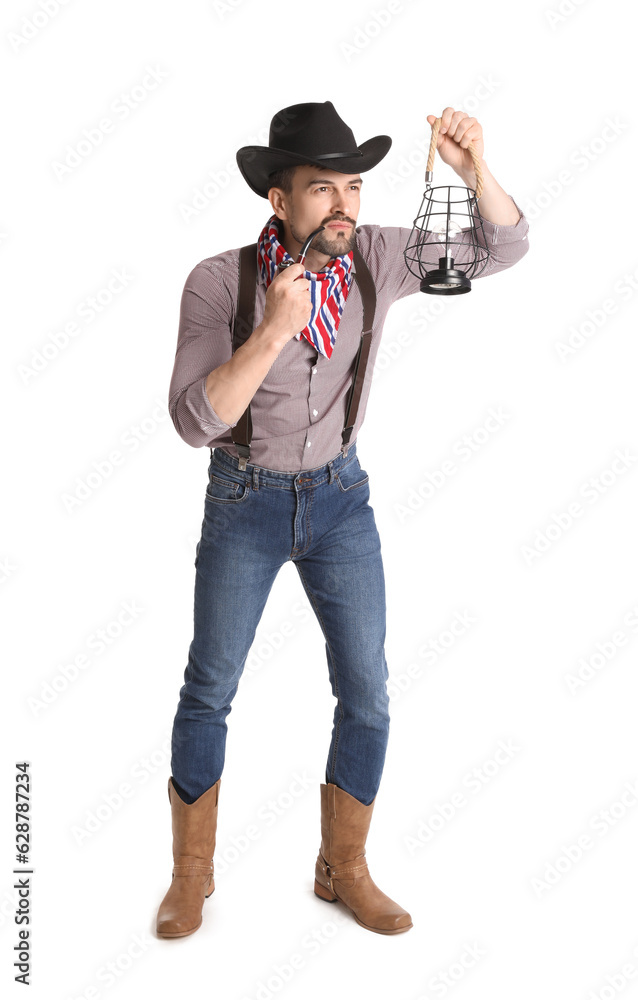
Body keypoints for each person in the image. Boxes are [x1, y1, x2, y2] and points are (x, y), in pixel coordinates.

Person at [156, 101, 530, 939]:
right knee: (209, 690)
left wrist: (474, 171)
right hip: (243, 501)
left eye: (354, 186)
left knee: (367, 691)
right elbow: (191, 422)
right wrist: (271, 335)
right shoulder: (219, 282)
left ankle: (343, 869)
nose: (344, 207)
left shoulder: (378, 257)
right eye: (322, 189)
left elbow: (504, 246)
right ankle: (190, 877)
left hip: (340, 501)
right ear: (278, 201)